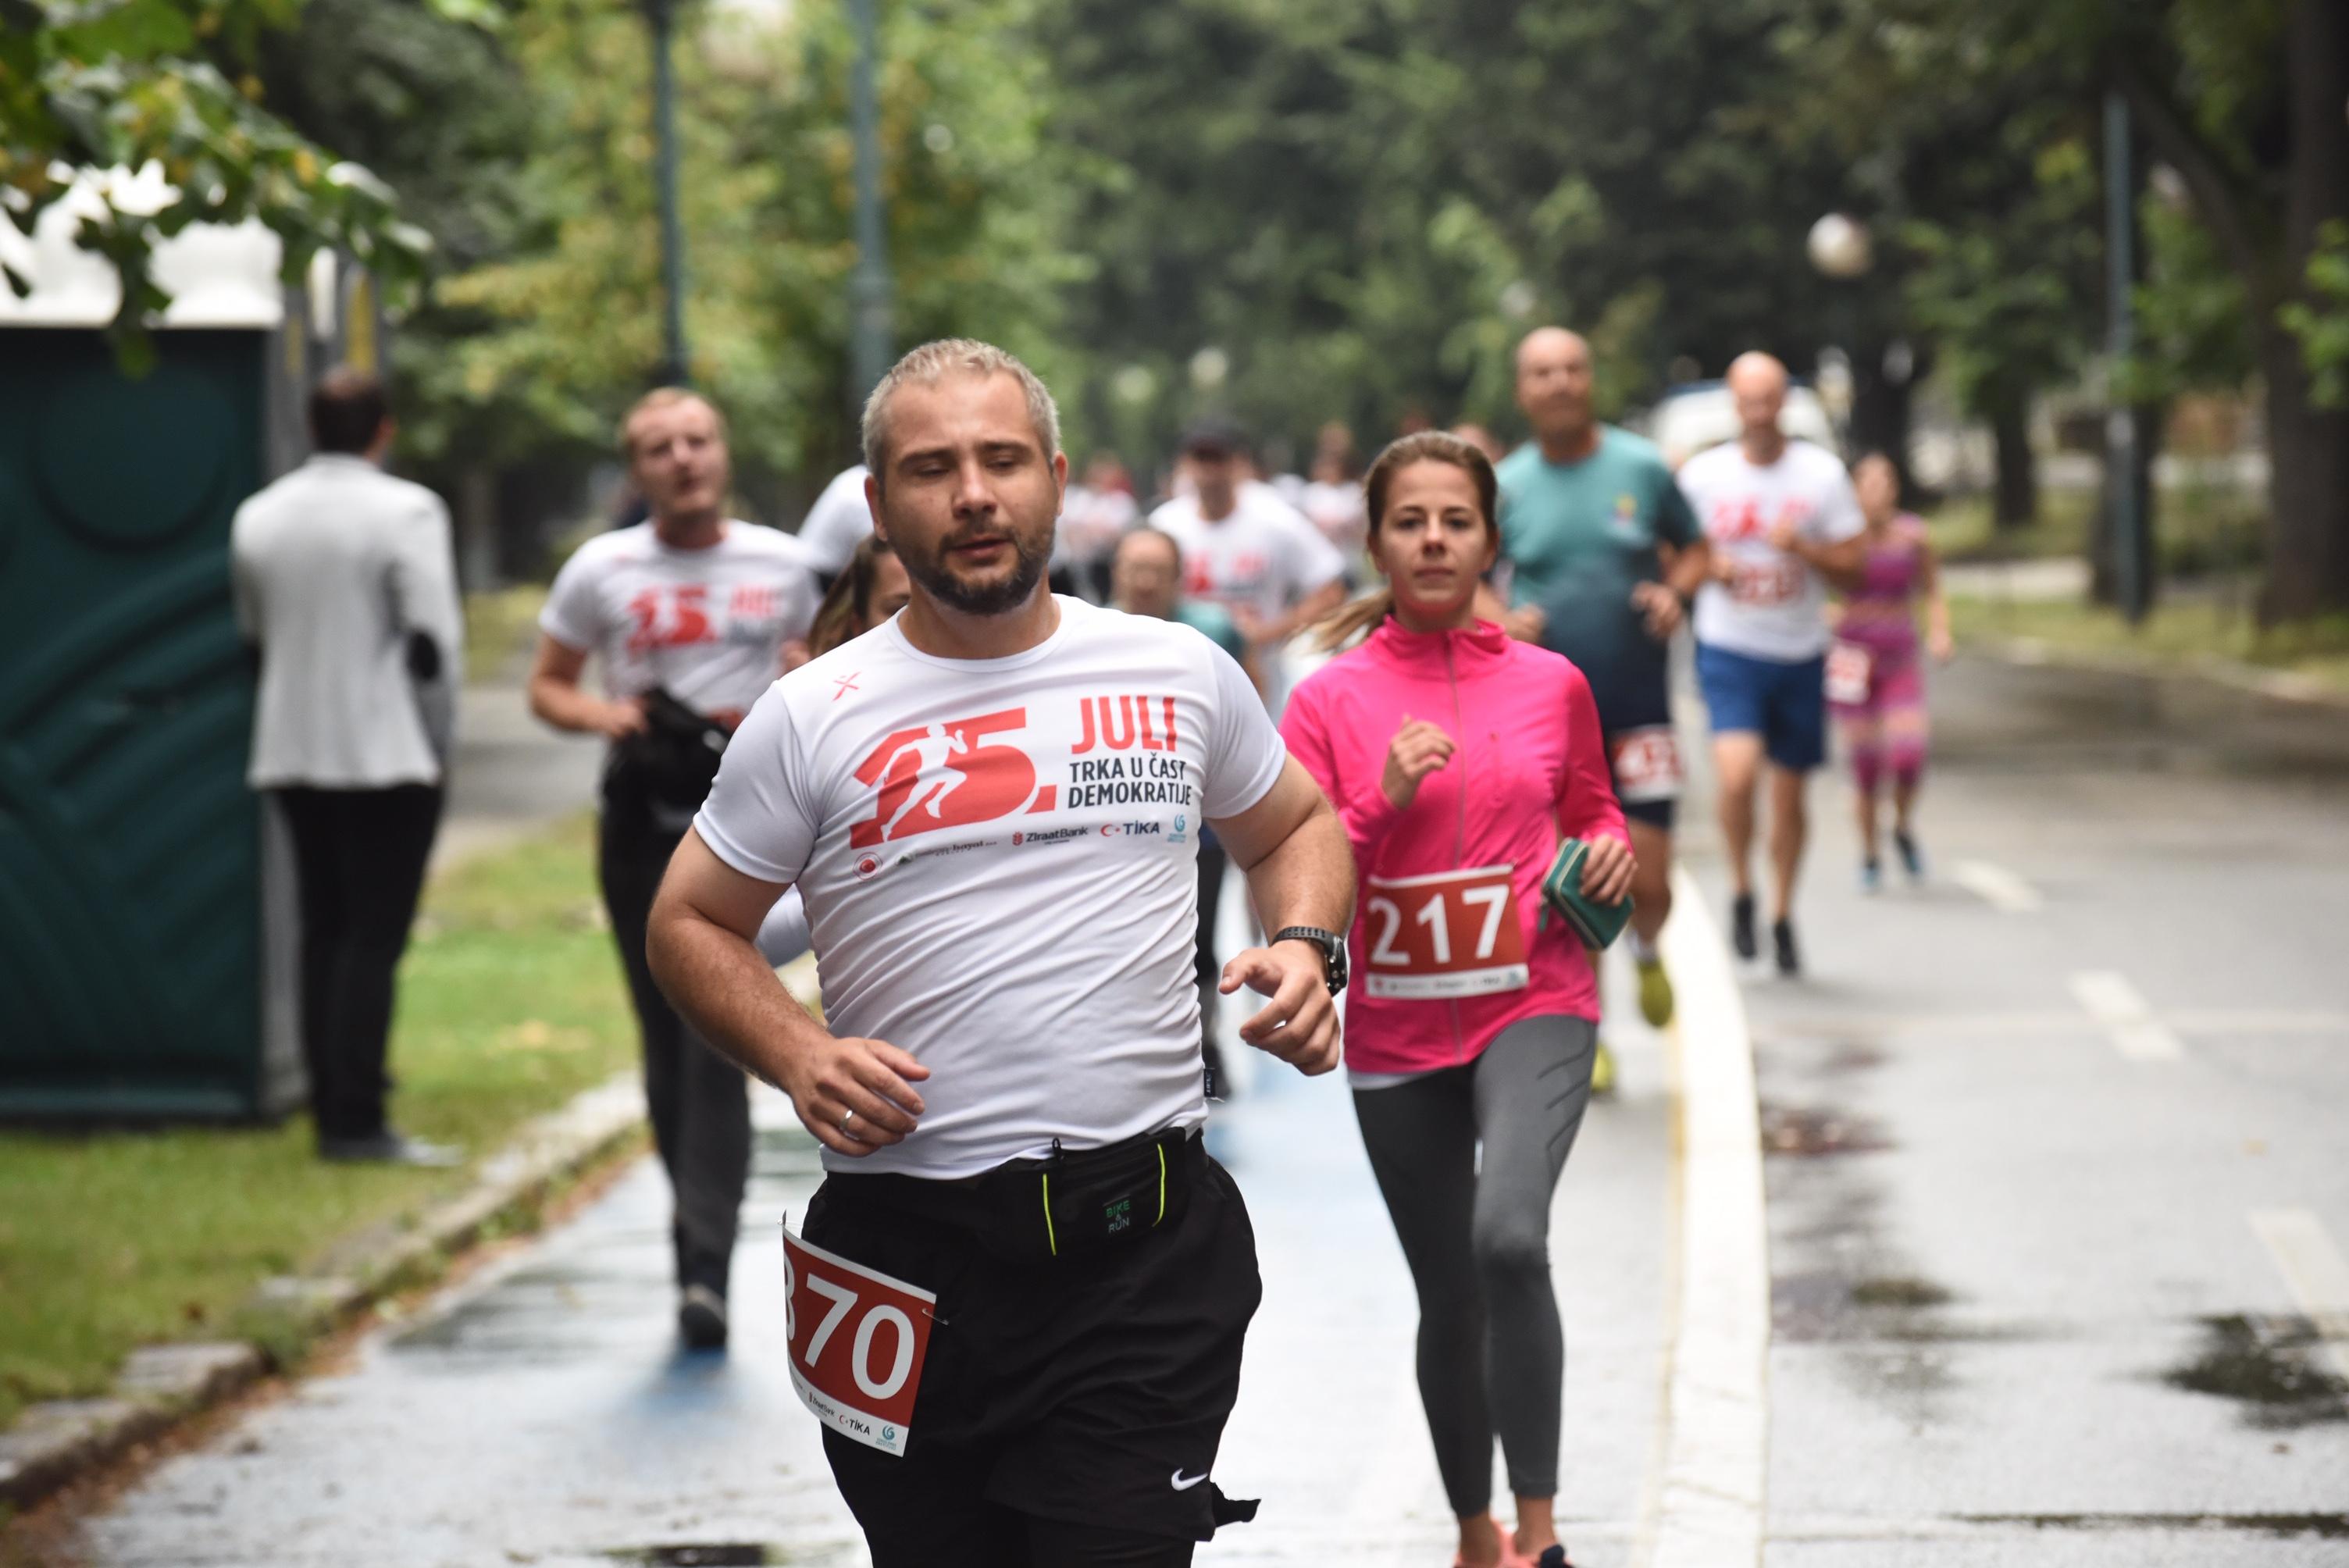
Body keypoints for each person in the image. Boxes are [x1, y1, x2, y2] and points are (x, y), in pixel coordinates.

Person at [643, 339, 1354, 1568]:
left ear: (1057, 480)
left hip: (1139, 1259)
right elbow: (687, 921)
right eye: (931, 469)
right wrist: (798, 1052)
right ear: (879, 506)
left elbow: (1294, 822)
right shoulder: (812, 716)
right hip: (903, 1270)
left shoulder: (1175, 669)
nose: (972, 493)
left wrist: (1303, 944)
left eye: (1001, 460)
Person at [1283, 432, 1632, 1568]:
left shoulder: (1553, 682)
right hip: (1394, 1026)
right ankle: (1474, 1531)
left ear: (1490, 539)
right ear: (1377, 540)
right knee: (1449, 1289)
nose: (1434, 540)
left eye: (1457, 521)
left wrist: (1610, 853)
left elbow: (1593, 809)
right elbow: (1299, 874)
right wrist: (1379, 799)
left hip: (1537, 994)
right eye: (1410, 522)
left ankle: (1538, 1532)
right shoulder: (1327, 702)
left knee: (1509, 1239)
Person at [527, 388, 821, 1351]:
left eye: (696, 440)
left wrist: (801, 667)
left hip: (748, 817)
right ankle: (691, 1235)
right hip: (643, 816)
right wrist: (605, 716)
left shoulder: (783, 564)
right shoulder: (600, 569)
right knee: (665, 1038)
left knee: (717, 1042)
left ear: (723, 452)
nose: (682, 458)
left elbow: (843, 662)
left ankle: (703, 1262)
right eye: (658, 447)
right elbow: (549, 685)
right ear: (636, 469)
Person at [230, 368, 464, 1167]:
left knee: (321, 926)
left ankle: (329, 1102)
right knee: (374, 935)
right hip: (386, 752)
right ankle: (357, 1119)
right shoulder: (406, 511)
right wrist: (437, 745)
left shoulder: (257, 517)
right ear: (383, 430)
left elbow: (254, 636)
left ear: (309, 425)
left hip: (291, 749)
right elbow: (433, 643)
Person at [1489, 327, 1713, 1084]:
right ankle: (1594, 1028)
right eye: (1541, 372)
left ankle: (1648, 948)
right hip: (1546, 723)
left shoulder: (1641, 467)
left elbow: (1697, 548)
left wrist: (1672, 591)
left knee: (1646, 880)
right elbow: (1477, 580)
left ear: (1591, 379)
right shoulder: (1504, 485)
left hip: (1639, 704)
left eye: (1571, 369)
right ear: (1522, 390)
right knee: (1572, 880)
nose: (1557, 383)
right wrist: (1499, 619)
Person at [1676, 353, 1866, 976]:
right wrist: (1711, 569)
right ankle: (1740, 887)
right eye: (1748, 400)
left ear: (1785, 402)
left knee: (1788, 798)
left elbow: (1855, 567)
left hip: (1799, 651)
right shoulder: (1704, 477)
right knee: (1736, 777)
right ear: (1734, 405)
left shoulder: (1821, 475)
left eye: (1770, 399)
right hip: (1730, 646)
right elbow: (1673, 559)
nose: (1760, 412)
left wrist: (1804, 549)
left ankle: (1780, 911)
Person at [1109, 526, 1258, 1093]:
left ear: (1178, 578)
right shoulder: (1086, 633)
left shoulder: (1214, 633)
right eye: (1132, 567)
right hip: (1118, 822)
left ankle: (1205, 1040)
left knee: (1196, 936)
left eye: (1155, 569)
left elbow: (1248, 710)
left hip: (1202, 820)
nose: (1143, 580)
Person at [1149, 419, 1347, 704]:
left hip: (1259, 680)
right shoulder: (1166, 526)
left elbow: (1331, 590)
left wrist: (1269, 633)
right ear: (1185, 463)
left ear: (1240, 462)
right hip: (1182, 679)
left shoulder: (1276, 521)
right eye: (1200, 458)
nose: (1209, 470)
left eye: (1218, 458)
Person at [1831, 453, 1950, 889]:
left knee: (1908, 755)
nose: (1878, 492)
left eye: (1886, 483)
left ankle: (1900, 825)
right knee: (1864, 767)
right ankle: (1868, 854)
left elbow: (1933, 588)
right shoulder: (1842, 540)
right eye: (1869, 484)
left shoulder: (1913, 536)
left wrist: (1939, 632)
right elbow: (1817, 584)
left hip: (1899, 657)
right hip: (1851, 662)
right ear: (1855, 491)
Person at [797, 462, 877, 586]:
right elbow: (878, 550)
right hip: (821, 575)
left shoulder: (852, 477)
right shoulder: (861, 496)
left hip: (807, 567)